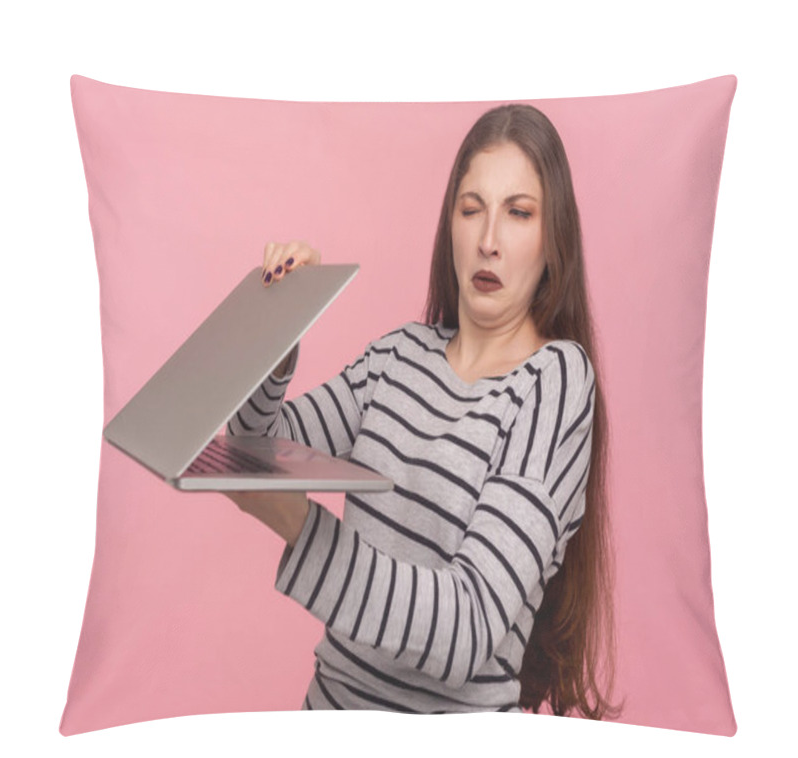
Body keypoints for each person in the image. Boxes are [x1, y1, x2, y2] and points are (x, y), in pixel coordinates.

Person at [223, 104, 623, 718]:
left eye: (518, 214)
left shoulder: (555, 381)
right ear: (451, 228)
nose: (489, 240)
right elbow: (255, 445)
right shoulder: (399, 355)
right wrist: (276, 339)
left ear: (554, 241)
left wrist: (302, 526)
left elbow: (468, 627)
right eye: (471, 210)